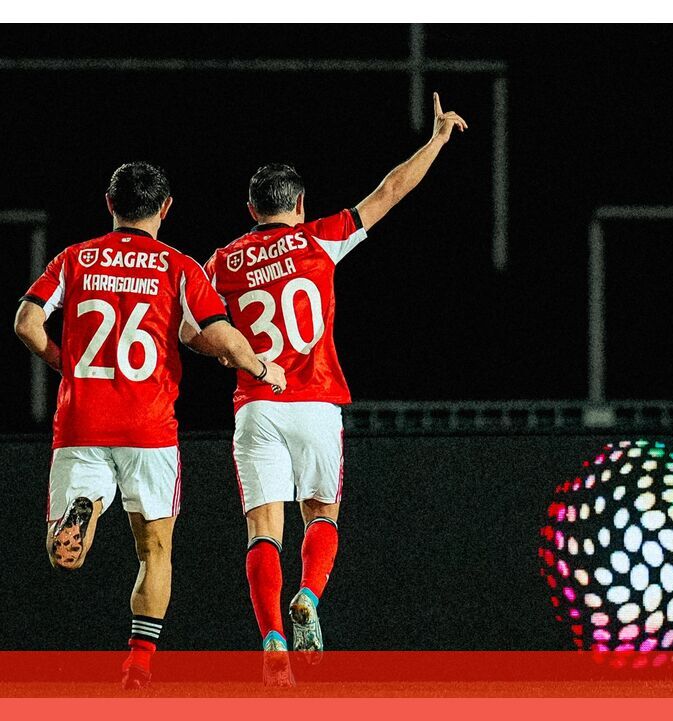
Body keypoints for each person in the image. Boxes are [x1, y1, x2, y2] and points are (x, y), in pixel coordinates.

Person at [184, 92, 466, 685]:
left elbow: (191, 332)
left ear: (251, 208)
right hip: (315, 403)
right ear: (300, 204)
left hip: (257, 405)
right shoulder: (320, 240)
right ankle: (309, 596)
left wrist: (230, 352)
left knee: (264, 529)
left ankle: (271, 642)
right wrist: (437, 140)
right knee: (322, 514)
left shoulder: (223, 262)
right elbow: (390, 191)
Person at [13, 162, 286, 689]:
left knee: (62, 556)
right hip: (149, 429)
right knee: (155, 550)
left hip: (82, 422)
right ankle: (138, 665)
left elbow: (26, 322)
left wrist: (66, 363)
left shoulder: (74, 258)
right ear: (165, 208)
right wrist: (260, 368)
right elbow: (222, 335)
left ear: (109, 204)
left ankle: (86, 506)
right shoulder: (177, 267)